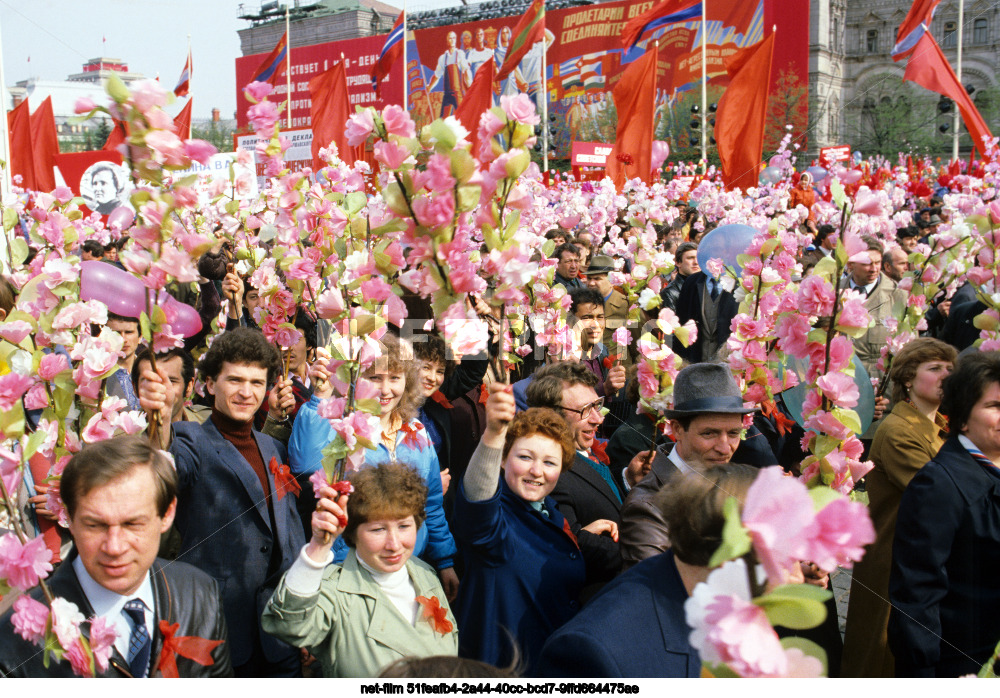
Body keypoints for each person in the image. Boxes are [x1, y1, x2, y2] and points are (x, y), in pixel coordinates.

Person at [138, 327, 303, 677]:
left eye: (257, 383)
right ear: (210, 384)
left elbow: (290, 535)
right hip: (218, 629)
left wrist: (304, 615)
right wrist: (161, 418)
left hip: (279, 632)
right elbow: (165, 467)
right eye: (235, 380)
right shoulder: (191, 439)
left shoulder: (271, 446)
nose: (246, 392)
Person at [0, 436, 233, 677]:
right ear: (68, 517)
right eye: (95, 525)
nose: (114, 547)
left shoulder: (201, 593)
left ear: (167, 513)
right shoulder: (14, 643)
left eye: (133, 524)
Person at [537, 464, 760, 678]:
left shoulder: (737, 615)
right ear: (731, 553)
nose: (795, 577)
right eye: (780, 559)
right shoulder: (595, 653)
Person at [454, 392, 617, 675]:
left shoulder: (550, 512)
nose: (536, 471)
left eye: (550, 463)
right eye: (525, 457)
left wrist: (573, 539)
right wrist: (493, 434)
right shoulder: (496, 519)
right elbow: (479, 501)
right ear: (503, 460)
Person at [289, 334, 459, 600]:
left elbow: (432, 504)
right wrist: (319, 398)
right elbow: (305, 462)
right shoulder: (342, 427)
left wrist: (444, 561)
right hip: (351, 572)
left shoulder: (417, 432)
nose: (385, 389)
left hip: (409, 568)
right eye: (374, 378)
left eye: (394, 378)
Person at [262, 463, 458, 677]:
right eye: (378, 529)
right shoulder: (332, 592)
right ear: (352, 533)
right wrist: (319, 546)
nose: (394, 544)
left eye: (403, 526)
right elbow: (287, 625)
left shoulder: (424, 574)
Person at [842, 338, 955, 678]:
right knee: (881, 652)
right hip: (893, 559)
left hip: (918, 559)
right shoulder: (898, 430)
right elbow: (942, 494)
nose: (945, 376)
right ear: (908, 378)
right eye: (934, 369)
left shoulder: (939, 428)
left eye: (950, 370)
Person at [888, 351, 1000, 677]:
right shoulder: (939, 484)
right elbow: (917, 595)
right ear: (963, 416)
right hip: (963, 664)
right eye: (994, 406)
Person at [619, 362, 754, 568]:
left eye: (734, 433)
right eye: (709, 433)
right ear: (677, 429)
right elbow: (660, 591)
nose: (725, 448)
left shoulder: (733, 485)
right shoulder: (648, 506)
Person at [130, 346, 208, 424]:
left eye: (171, 381)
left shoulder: (209, 424)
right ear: (135, 388)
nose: (160, 388)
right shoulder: (122, 435)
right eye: (150, 381)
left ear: (189, 386)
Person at [428, 31, 471, 117]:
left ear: (456, 40)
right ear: (447, 40)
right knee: (443, 119)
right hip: (447, 93)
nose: (452, 40)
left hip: (457, 93)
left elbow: (466, 71)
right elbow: (437, 75)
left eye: (453, 38)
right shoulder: (443, 58)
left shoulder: (460, 54)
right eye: (450, 38)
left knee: (462, 117)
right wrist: (429, 87)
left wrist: (470, 86)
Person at [105, 312, 142, 411]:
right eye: (116, 333)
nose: (123, 339)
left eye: (129, 332)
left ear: (140, 337)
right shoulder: (99, 377)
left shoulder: (152, 369)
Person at [661, 241, 699, 312]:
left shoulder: (705, 287)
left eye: (698, 257)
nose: (696, 262)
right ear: (678, 263)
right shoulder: (669, 293)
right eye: (690, 258)